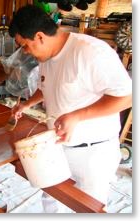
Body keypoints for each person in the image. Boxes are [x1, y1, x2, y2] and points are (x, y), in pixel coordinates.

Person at [9, 5, 132, 212]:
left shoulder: (90, 51)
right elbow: (47, 86)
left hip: (93, 153)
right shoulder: (47, 57)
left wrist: (77, 116)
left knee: (86, 207)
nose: (25, 52)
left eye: (25, 46)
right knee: (51, 198)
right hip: (57, 146)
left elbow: (127, 97)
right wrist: (28, 103)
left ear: (39, 36)